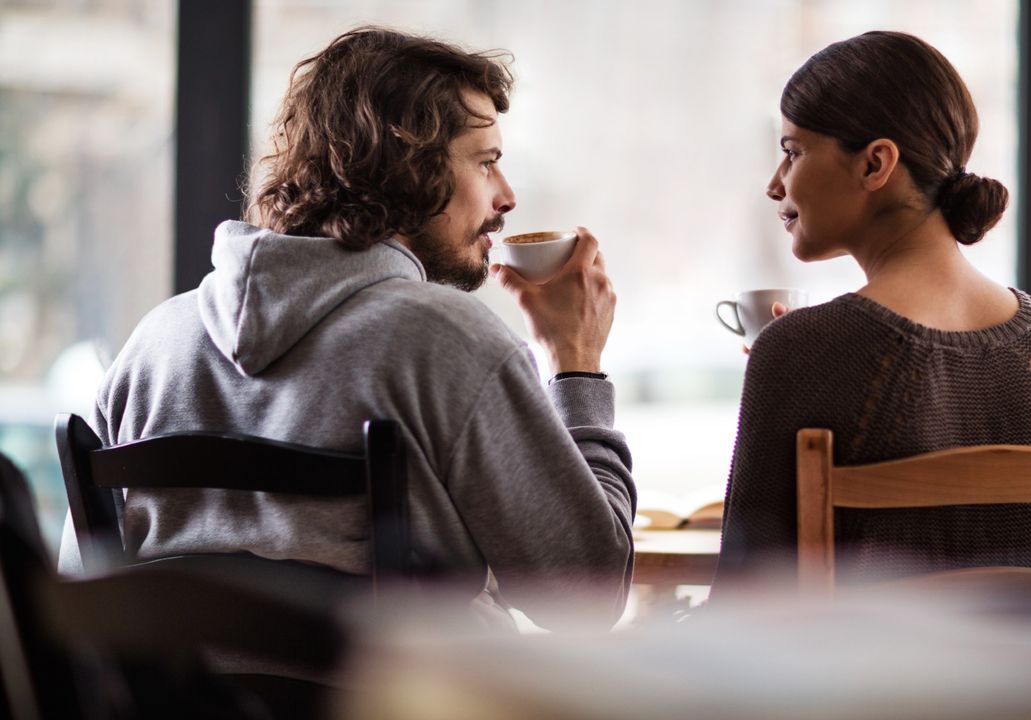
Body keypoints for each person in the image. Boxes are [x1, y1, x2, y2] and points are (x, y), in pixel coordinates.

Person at [58, 27, 635, 631]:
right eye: (486, 162)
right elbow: (584, 598)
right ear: (411, 163)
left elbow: (80, 597)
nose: (507, 196)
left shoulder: (153, 346)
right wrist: (575, 362)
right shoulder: (449, 341)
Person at [712, 31, 1031, 593]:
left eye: (792, 152)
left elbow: (745, 605)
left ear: (875, 164)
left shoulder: (800, 348)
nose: (775, 185)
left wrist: (790, 366)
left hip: (877, 683)